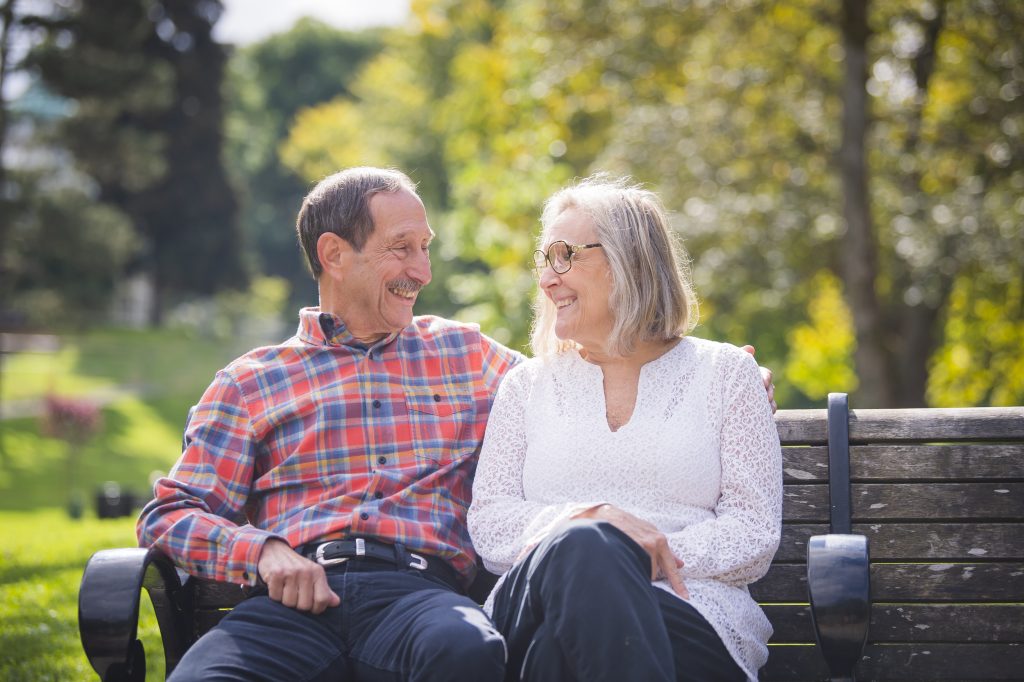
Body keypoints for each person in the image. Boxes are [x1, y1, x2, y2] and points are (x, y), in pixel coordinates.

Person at [138, 166, 775, 681]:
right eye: (401, 249)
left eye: (425, 249)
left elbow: (612, 362)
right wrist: (263, 550)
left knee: (474, 646)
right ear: (335, 254)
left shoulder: (469, 359)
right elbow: (169, 513)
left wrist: (718, 376)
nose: (423, 271)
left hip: (420, 601)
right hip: (291, 600)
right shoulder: (251, 381)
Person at [467, 175, 783, 682]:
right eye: (544, 259)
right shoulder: (525, 386)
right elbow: (491, 522)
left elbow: (753, 534)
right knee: (584, 542)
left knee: (559, 648)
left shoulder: (726, 375)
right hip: (536, 603)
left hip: (690, 614)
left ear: (630, 261)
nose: (548, 278)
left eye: (565, 255)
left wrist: (634, 555)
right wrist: (593, 524)